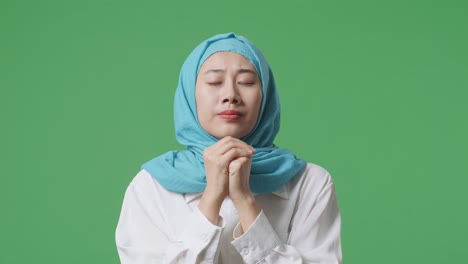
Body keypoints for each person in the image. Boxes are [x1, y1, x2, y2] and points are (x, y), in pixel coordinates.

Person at [116, 32, 342, 264]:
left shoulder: (310, 182)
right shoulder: (151, 186)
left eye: (246, 83)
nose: (230, 95)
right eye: (214, 82)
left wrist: (245, 200)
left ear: (265, 96)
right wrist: (212, 196)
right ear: (190, 94)